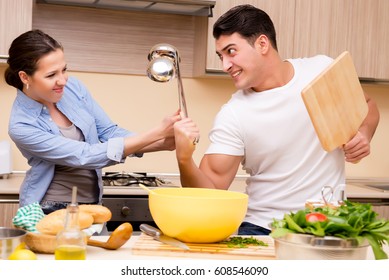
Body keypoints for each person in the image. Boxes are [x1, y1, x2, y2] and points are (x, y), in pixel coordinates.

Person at [173, 5, 380, 235]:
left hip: (329, 225)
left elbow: (368, 106)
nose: (225, 65)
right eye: (221, 56)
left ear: (262, 44)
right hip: (263, 228)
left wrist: (364, 134)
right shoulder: (234, 114)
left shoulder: (321, 70)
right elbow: (209, 193)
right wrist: (184, 159)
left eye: (231, 51)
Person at [5, 29, 181, 214]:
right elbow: (85, 156)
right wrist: (157, 133)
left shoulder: (73, 88)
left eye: (64, 70)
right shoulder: (22, 125)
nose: (62, 81)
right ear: (25, 77)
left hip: (93, 204)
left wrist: (163, 143)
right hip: (49, 209)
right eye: (51, 75)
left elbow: (109, 132)